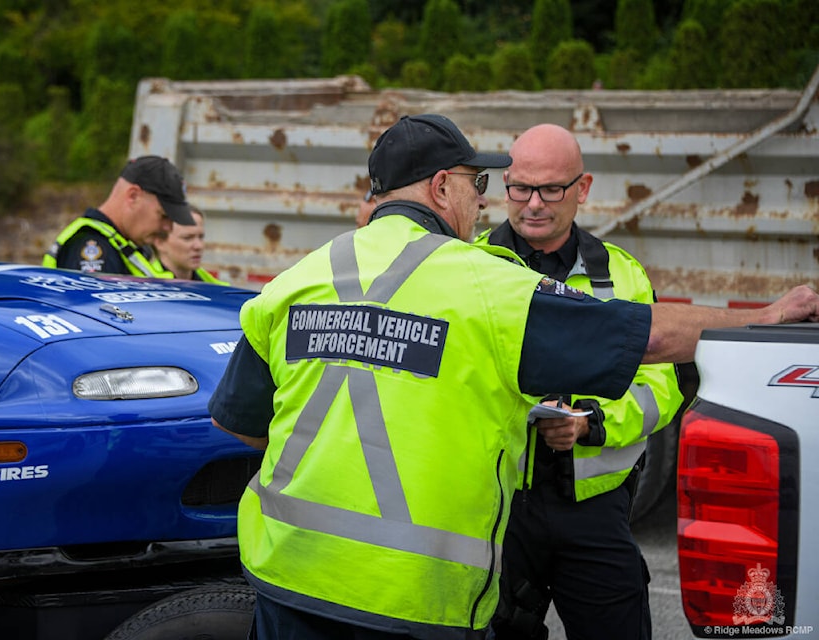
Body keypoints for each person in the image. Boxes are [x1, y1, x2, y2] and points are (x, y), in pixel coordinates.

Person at [207, 114, 819, 640]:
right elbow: (651, 338)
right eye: (483, 185)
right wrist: (762, 317)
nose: (487, 201)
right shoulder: (484, 283)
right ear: (441, 187)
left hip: (285, 577)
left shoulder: (296, 279)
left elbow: (242, 426)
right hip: (405, 599)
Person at [474, 123, 680, 640]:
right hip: (491, 508)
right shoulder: (466, 267)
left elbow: (666, 382)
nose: (533, 204)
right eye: (520, 188)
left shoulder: (622, 275)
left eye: (551, 189)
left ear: (582, 189)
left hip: (592, 511)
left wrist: (593, 421)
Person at [43, 155, 194, 277]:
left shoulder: (123, 246)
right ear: (133, 196)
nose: (168, 227)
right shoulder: (95, 247)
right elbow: (97, 313)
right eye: (163, 215)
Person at [151, 205, 229, 284]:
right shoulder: (145, 286)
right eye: (187, 238)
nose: (199, 246)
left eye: (201, 237)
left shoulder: (217, 288)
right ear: (159, 243)